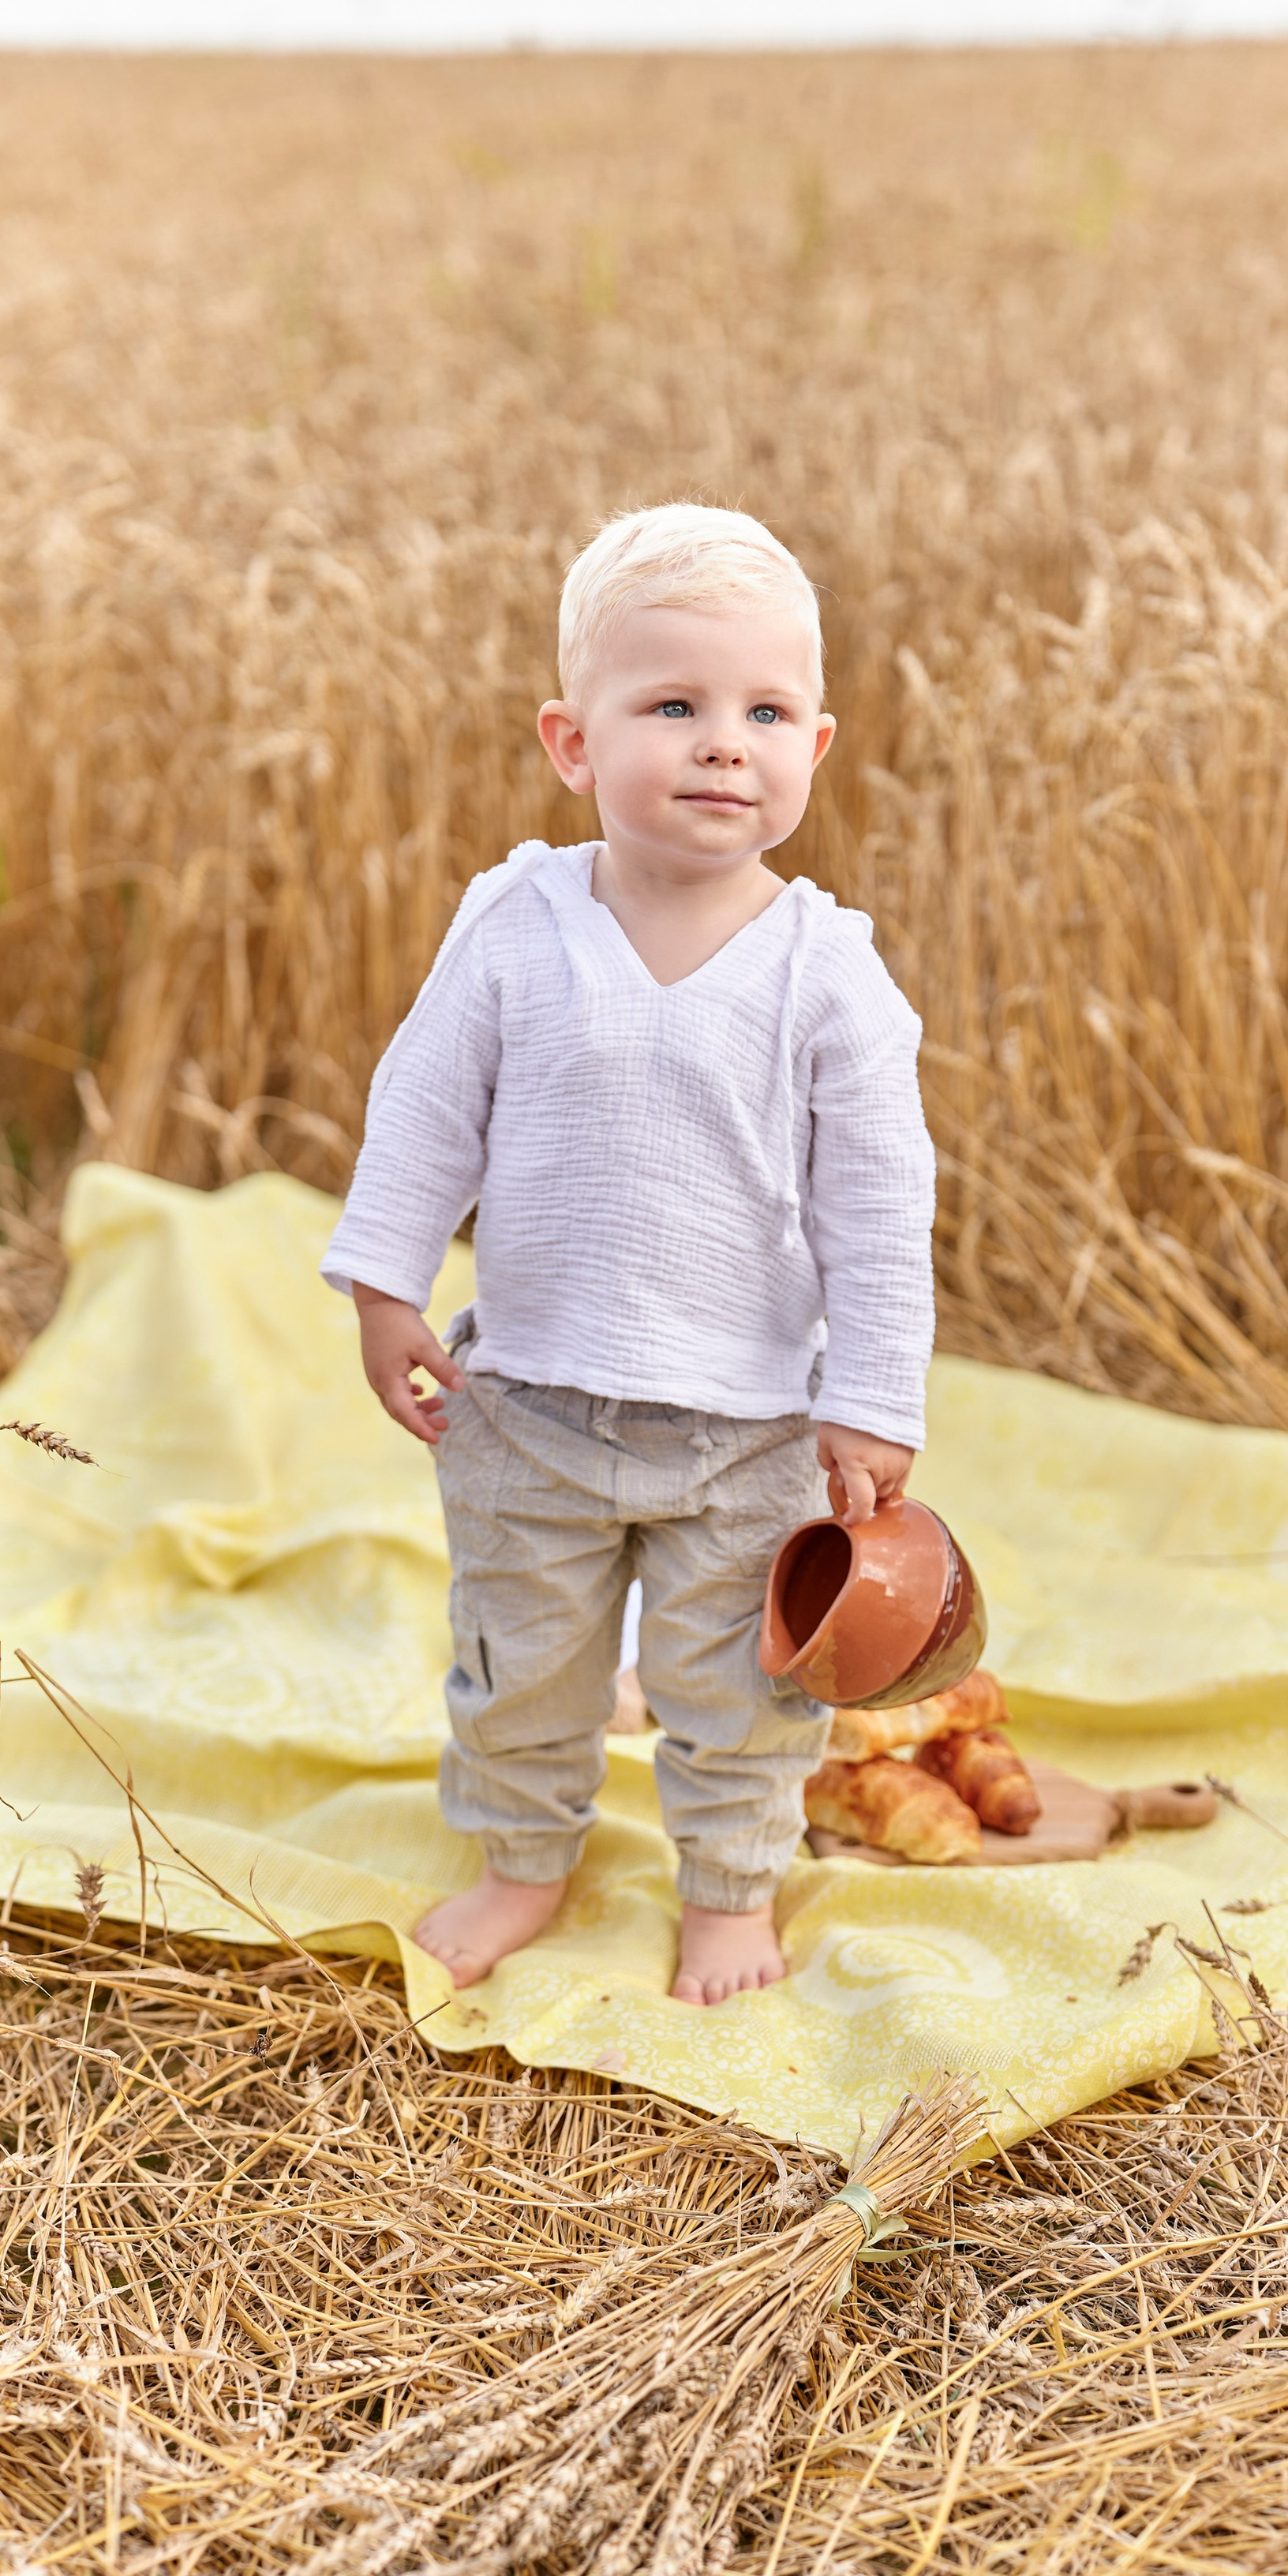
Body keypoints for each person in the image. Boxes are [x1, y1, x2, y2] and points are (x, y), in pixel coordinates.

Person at [322, 503, 934, 2005]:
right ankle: (525, 1858)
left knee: (738, 1684)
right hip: (527, 1401)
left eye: (765, 712)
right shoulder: (515, 923)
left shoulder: (826, 974)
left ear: (817, 748)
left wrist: (871, 1397)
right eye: (675, 706)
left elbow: (879, 1202)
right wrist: (389, 1286)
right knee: (522, 1660)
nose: (725, 742)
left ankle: (728, 1887)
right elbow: (425, 1108)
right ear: (573, 743)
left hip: (750, 1429)